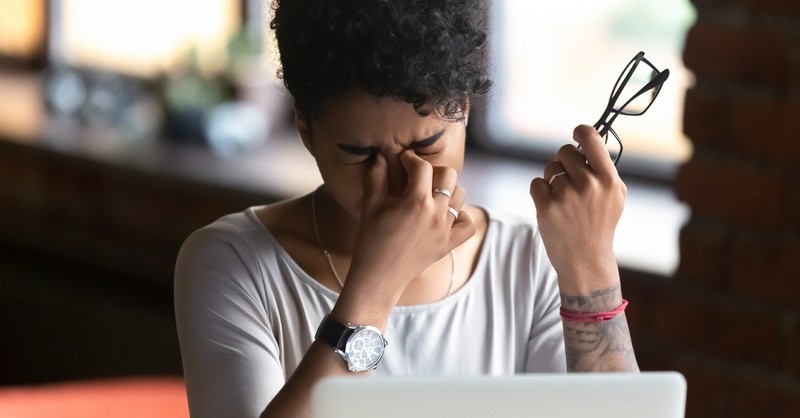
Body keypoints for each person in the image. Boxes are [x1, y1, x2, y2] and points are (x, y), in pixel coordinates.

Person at [174, 0, 638, 416]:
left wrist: (591, 268)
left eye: (427, 145)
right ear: (306, 133)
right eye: (359, 154)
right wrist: (376, 284)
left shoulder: (526, 260)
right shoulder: (230, 263)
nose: (400, 181)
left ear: (463, 110)